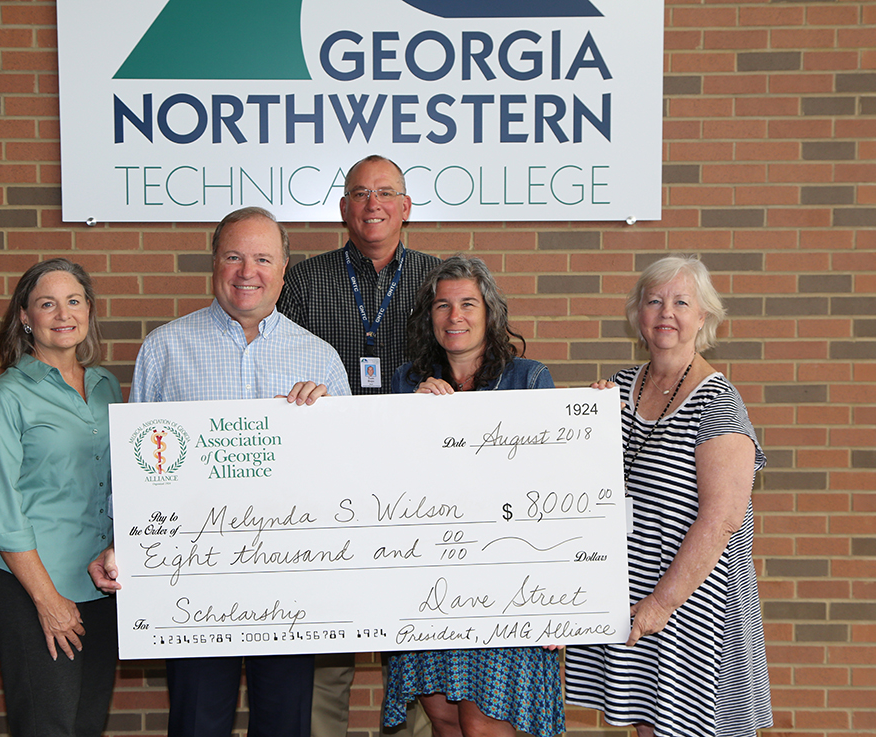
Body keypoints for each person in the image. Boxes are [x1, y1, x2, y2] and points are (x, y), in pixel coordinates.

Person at [89, 206, 351, 737]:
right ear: (214, 265)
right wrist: (127, 540)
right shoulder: (165, 349)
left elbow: (349, 473)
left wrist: (327, 423)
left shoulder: (320, 359)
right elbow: (138, 464)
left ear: (283, 270)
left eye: (261, 259)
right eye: (233, 256)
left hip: (289, 579)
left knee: (285, 726)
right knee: (196, 724)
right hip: (194, 578)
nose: (246, 272)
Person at [564, 255, 772, 737]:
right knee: (647, 728)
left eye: (681, 302)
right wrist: (584, 427)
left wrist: (659, 606)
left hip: (690, 603)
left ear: (704, 317)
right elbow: (582, 489)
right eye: (654, 301)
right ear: (638, 314)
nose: (666, 312)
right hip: (630, 593)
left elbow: (721, 521)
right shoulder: (616, 387)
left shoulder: (718, 401)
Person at [277, 154, 441, 737]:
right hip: (327, 483)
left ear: (406, 207)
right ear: (344, 208)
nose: (373, 204)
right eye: (360, 193)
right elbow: (278, 361)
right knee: (328, 636)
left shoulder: (440, 279)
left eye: (386, 193)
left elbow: (477, 366)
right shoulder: (302, 280)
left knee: (419, 631)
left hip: (419, 486)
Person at [385, 256, 565, 737]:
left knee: (485, 723)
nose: (454, 316)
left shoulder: (529, 379)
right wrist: (413, 419)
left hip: (509, 584)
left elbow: (554, 490)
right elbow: (385, 481)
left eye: (468, 303)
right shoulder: (406, 383)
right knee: (444, 718)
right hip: (431, 581)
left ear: (490, 313)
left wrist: (562, 596)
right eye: (442, 305)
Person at [0, 258, 122, 737]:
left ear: (89, 311)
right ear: (24, 317)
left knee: (86, 725)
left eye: (73, 301)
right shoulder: (6, 396)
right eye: (47, 303)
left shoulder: (106, 387)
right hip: (31, 585)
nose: (63, 313)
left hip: (100, 583)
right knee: (47, 726)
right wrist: (47, 599)